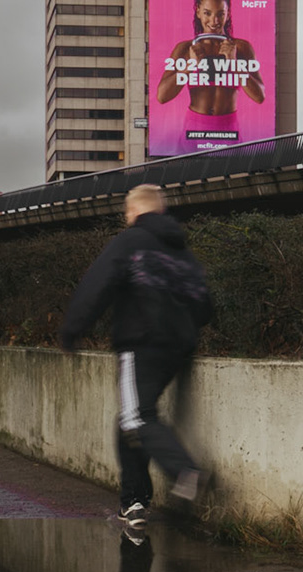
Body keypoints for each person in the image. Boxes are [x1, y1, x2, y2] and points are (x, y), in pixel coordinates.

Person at [59, 183, 213, 533]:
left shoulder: (130, 241)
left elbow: (97, 285)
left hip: (141, 342)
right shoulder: (182, 251)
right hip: (178, 347)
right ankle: (134, 503)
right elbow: (204, 304)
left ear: (134, 212)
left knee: (136, 417)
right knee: (129, 422)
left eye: (127, 212)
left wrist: (72, 329)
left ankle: (183, 471)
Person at [155, 0, 265, 127]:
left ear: (228, 13)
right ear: (198, 10)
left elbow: (260, 96)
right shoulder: (186, 48)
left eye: (221, 14)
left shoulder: (241, 48)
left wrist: (234, 64)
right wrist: (190, 66)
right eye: (207, 13)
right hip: (193, 130)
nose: (214, 21)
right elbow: (162, 96)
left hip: (229, 130)